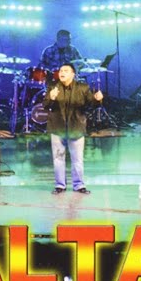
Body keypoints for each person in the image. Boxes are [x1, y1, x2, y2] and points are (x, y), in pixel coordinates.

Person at [43, 63, 102, 194]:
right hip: (57, 128)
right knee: (58, 159)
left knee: (77, 159)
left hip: (76, 127)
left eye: (65, 71)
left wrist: (97, 100)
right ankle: (60, 185)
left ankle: (79, 185)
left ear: (73, 74)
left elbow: (91, 105)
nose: (62, 73)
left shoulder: (83, 87)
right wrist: (51, 98)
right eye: (60, 71)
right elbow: (46, 106)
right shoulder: (53, 87)